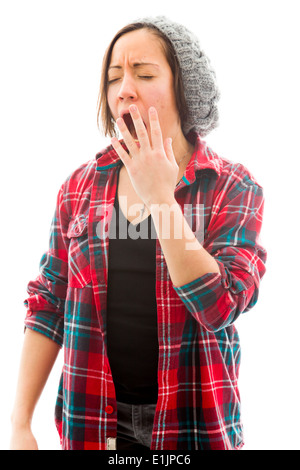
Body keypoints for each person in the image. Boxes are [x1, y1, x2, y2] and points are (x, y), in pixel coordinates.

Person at [10, 16, 267, 450]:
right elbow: (49, 302)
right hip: (93, 425)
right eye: (114, 77)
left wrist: (160, 198)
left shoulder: (232, 187)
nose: (124, 88)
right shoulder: (80, 186)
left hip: (195, 426)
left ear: (184, 88)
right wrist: (19, 423)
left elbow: (220, 305)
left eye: (144, 74)